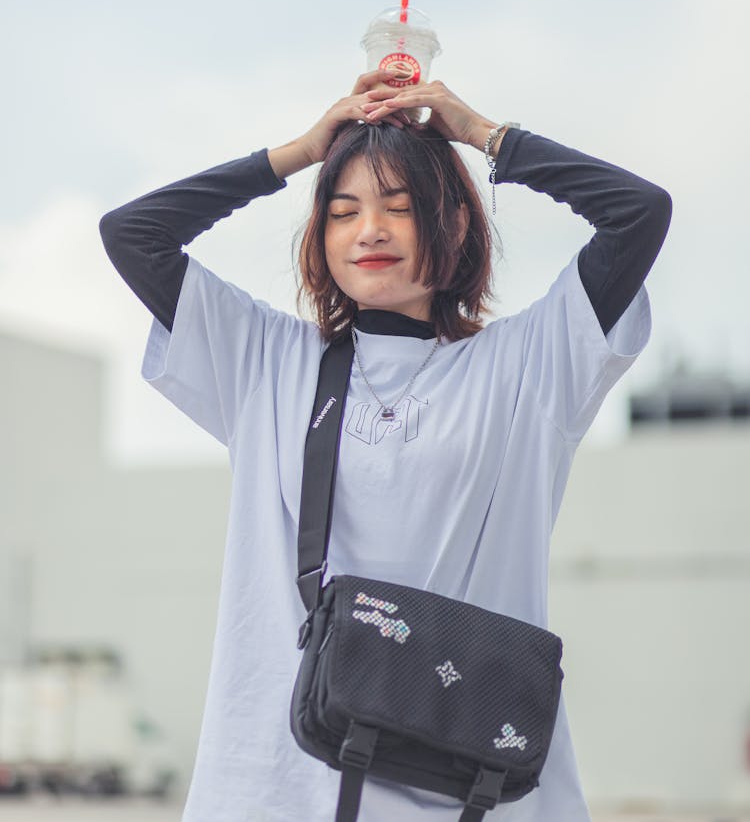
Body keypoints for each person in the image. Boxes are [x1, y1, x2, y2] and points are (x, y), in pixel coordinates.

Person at [99, 72, 672, 822]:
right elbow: (131, 233)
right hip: (282, 783)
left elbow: (639, 214)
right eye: (343, 212)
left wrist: (482, 134)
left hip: (471, 790)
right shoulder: (265, 357)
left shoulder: (530, 363)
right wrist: (302, 151)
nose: (369, 229)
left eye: (400, 207)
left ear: (456, 226)